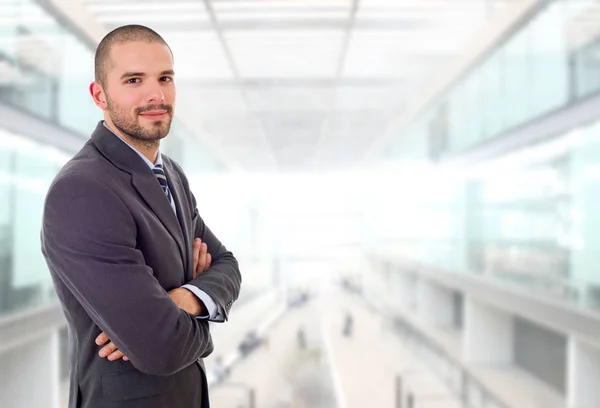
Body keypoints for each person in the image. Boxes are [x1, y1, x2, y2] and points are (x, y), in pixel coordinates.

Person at [40, 24, 241, 408]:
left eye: (165, 78)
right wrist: (201, 316)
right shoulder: (83, 191)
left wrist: (182, 301)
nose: (156, 94)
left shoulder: (173, 175)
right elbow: (160, 346)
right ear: (99, 95)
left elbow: (228, 265)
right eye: (134, 79)